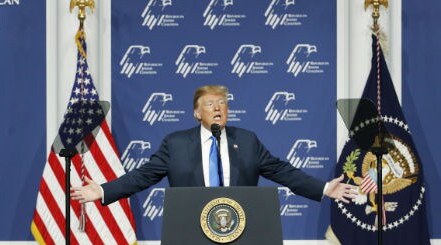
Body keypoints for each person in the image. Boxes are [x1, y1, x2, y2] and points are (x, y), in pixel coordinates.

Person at [71, 84, 358, 205]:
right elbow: (142, 176)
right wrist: (104, 190)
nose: (218, 107)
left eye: (222, 103)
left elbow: (282, 171)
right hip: (191, 237)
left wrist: (323, 188)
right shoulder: (176, 144)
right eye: (210, 104)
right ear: (197, 113)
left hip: (242, 234)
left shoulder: (246, 141)